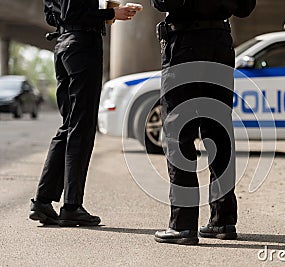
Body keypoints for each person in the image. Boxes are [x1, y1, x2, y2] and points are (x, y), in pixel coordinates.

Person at [151, 0, 256, 244]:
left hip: (185, 42)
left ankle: (183, 225)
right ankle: (223, 220)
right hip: (219, 43)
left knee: (179, 132)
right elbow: (245, 7)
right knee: (218, 132)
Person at [29, 0, 140, 227]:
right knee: (81, 126)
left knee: (69, 126)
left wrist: (105, 9)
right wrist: (112, 12)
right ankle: (71, 206)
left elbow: (53, 17)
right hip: (82, 47)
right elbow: (74, 13)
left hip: (63, 46)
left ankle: (42, 201)